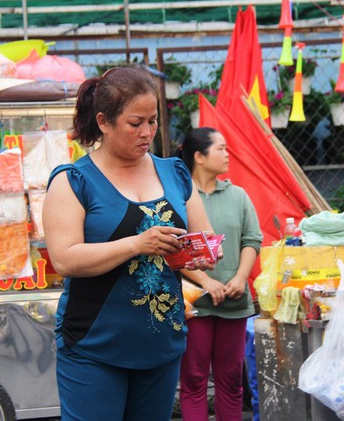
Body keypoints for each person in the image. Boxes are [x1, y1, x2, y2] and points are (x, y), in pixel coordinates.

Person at [43, 67, 218, 421]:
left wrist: (202, 254)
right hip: (95, 344)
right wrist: (137, 244)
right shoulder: (73, 181)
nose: (147, 132)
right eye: (135, 123)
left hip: (160, 342)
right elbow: (65, 260)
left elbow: (203, 237)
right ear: (104, 122)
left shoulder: (175, 173)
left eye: (153, 121)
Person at [176, 127, 263, 421]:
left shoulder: (238, 195)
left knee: (231, 381)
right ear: (199, 156)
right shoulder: (178, 196)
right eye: (221, 149)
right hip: (193, 303)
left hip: (234, 301)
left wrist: (240, 278)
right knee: (194, 380)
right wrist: (206, 281)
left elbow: (252, 240)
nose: (228, 154)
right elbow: (173, 250)